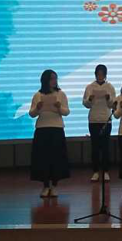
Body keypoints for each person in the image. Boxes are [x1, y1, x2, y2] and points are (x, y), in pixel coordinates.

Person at [29, 69, 70, 198]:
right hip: (42, 128)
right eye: (52, 78)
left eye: (55, 78)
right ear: (45, 80)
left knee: (56, 158)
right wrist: (38, 108)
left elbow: (66, 112)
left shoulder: (61, 94)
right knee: (43, 159)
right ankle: (46, 186)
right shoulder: (38, 95)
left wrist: (59, 107)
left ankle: (54, 185)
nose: (54, 81)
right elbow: (31, 114)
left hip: (56, 128)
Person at [82, 64, 116, 182]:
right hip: (93, 120)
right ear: (95, 74)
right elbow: (85, 104)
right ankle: (95, 171)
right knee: (95, 146)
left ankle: (106, 171)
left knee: (106, 147)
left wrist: (108, 98)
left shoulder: (110, 87)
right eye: (98, 74)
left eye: (102, 74)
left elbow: (113, 104)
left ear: (105, 75)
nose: (100, 76)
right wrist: (90, 99)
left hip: (106, 119)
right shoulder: (90, 87)